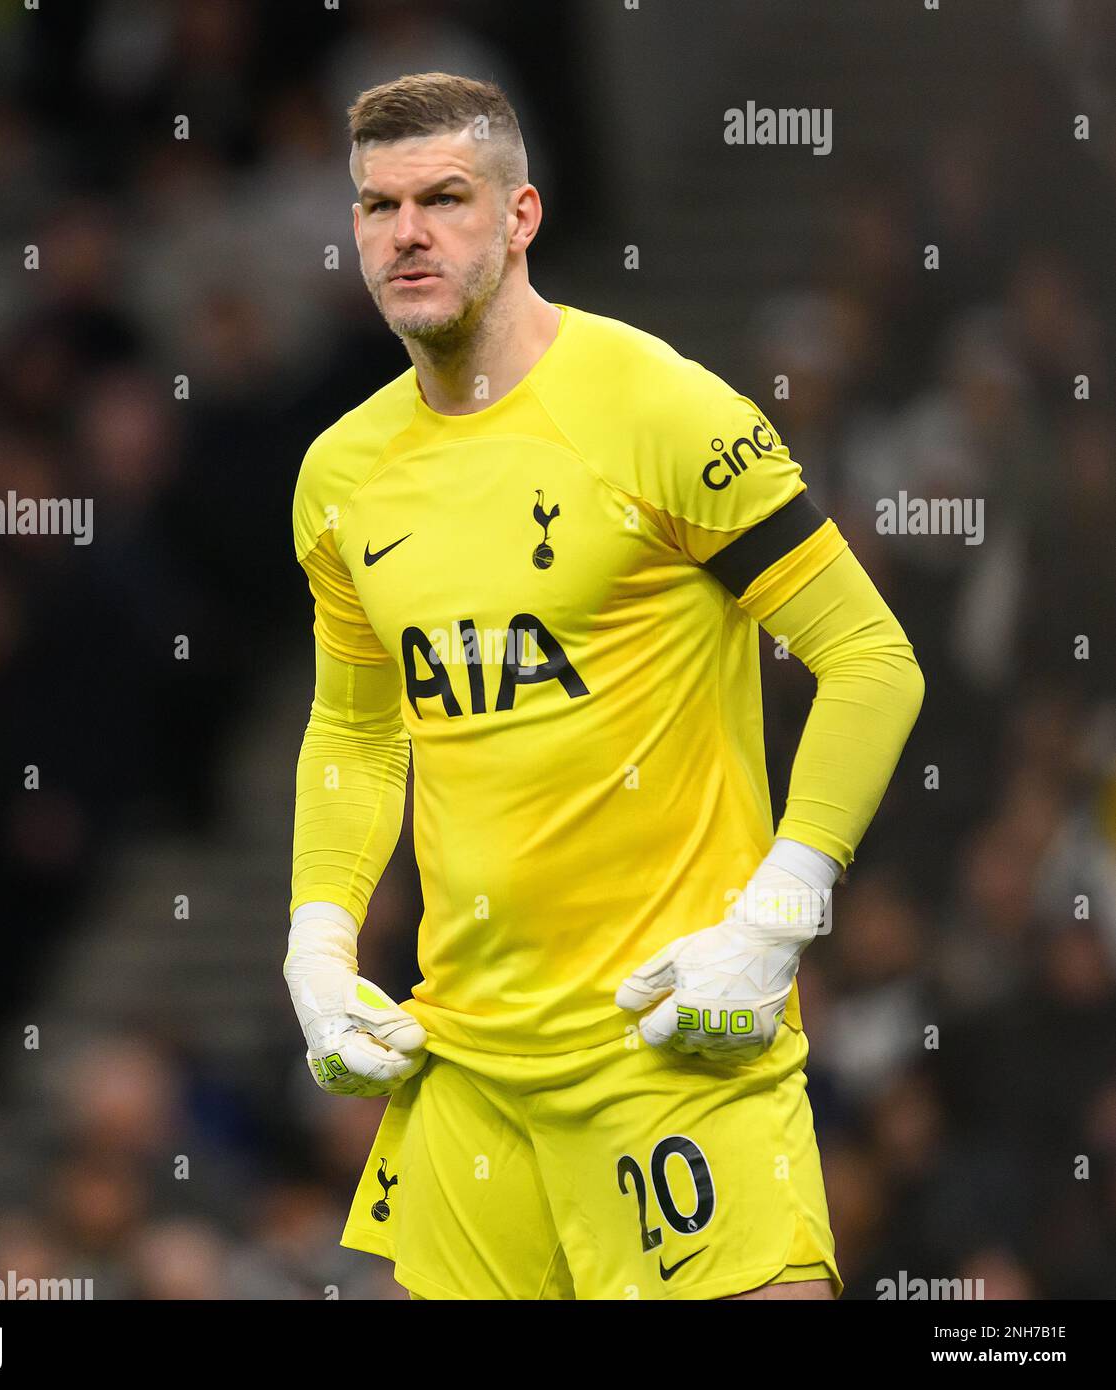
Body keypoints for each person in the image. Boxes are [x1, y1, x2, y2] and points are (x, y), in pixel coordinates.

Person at [283, 71, 924, 1301]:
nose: (404, 233)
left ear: (520, 216)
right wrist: (317, 940)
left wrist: (775, 919)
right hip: (466, 1067)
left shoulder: (661, 410)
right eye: (376, 205)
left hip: (668, 1049)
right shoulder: (339, 474)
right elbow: (355, 731)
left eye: (443, 199)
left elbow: (869, 658)